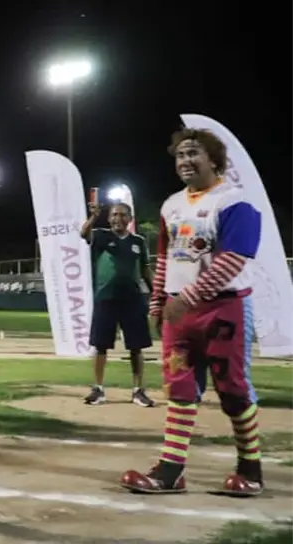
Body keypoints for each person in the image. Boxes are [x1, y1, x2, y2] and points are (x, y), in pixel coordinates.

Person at [121, 128, 264, 497]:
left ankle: (251, 468)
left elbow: (234, 258)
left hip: (223, 309)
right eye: (180, 155)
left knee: (232, 388)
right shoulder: (171, 206)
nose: (184, 161)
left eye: (193, 154)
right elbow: (165, 258)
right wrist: (158, 302)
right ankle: (171, 470)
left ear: (214, 160)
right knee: (180, 386)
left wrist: (189, 296)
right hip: (179, 314)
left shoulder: (235, 201)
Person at [80, 201, 156, 407]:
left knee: (136, 347)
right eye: (114, 215)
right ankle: (98, 389)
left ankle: (138, 390)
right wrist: (94, 216)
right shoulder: (101, 236)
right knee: (100, 345)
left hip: (132, 298)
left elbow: (145, 270)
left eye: (122, 215)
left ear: (130, 219)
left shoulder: (138, 242)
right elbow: (83, 233)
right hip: (106, 297)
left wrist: (157, 292)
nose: (117, 219)